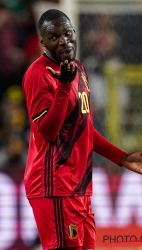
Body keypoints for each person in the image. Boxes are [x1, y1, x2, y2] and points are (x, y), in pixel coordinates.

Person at [22, 9, 142, 250]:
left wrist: (121, 157)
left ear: (75, 33)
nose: (64, 41)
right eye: (54, 37)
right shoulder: (37, 74)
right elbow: (48, 133)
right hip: (54, 186)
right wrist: (65, 87)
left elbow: (83, 128)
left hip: (78, 186)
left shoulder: (79, 69)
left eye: (67, 33)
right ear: (42, 42)